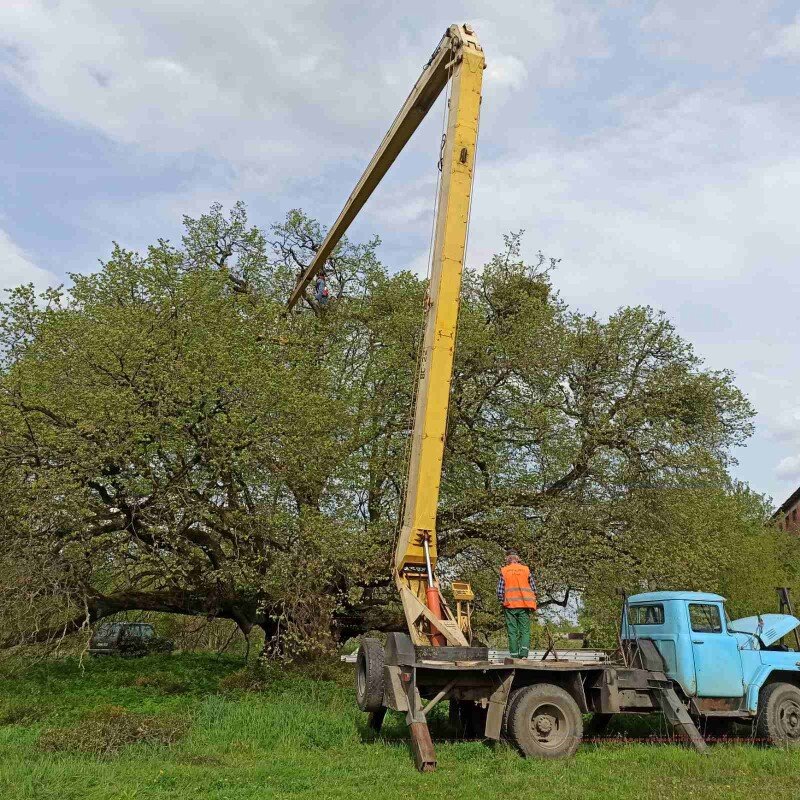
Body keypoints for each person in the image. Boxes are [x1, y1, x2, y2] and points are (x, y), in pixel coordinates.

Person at [496, 549, 537, 659]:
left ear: (507, 558)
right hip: (524, 605)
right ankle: (524, 655)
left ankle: (514, 656)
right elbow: (533, 588)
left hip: (509, 606)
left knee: (512, 632)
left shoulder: (504, 570)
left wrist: (502, 601)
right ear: (518, 558)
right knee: (525, 631)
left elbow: (500, 591)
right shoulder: (526, 570)